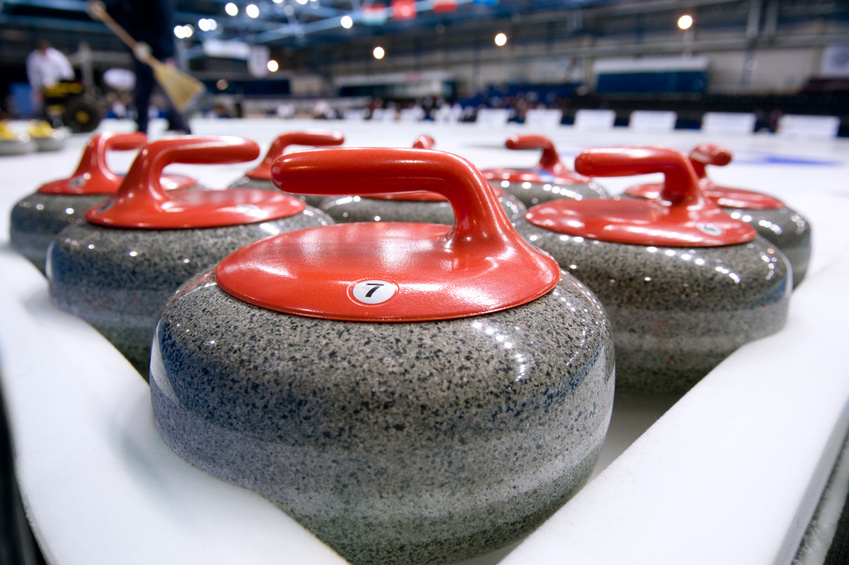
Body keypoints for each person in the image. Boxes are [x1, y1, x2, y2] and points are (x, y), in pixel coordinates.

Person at [97, 0, 191, 135]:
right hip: (139, 49)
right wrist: (105, 7)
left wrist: (151, 44)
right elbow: (124, 13)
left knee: (168, 89)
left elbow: (163, 19)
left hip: (158, 50)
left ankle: (180, 124)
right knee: (142, 90)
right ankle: (143, 126)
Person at [25, 40, 75, 117]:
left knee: (61, 103)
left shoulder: (57, 56)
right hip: (43, 87)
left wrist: (65, 84)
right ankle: (42, 117)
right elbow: (33, 75)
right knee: (39, 102)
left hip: (59, 85)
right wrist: (37, 87)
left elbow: (66, 72)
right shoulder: (33, 58)